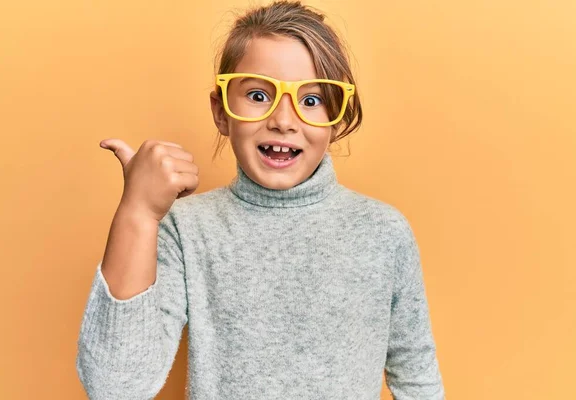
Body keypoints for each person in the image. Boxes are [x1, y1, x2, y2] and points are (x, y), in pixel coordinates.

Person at [75, 1, 445, 399]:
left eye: (311, 100)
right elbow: (114, 387)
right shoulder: (185, 229)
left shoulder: (383, 232)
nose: (284, 120)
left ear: (336, 119)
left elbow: (417, 376)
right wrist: (139, 214)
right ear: (221, 111)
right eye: (256, 94)